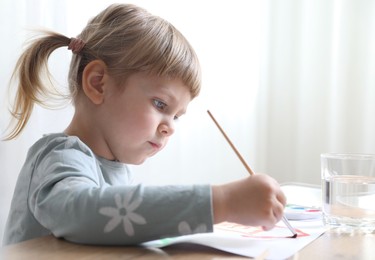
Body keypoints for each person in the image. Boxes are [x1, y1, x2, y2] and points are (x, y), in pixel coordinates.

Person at [2, 3, 286, 246]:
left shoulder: (113, 167)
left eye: (176, 116)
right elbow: (81, 213)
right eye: (161, 105)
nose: (169, 128)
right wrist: (223, 202)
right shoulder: (60, 156)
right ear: (98, 83)